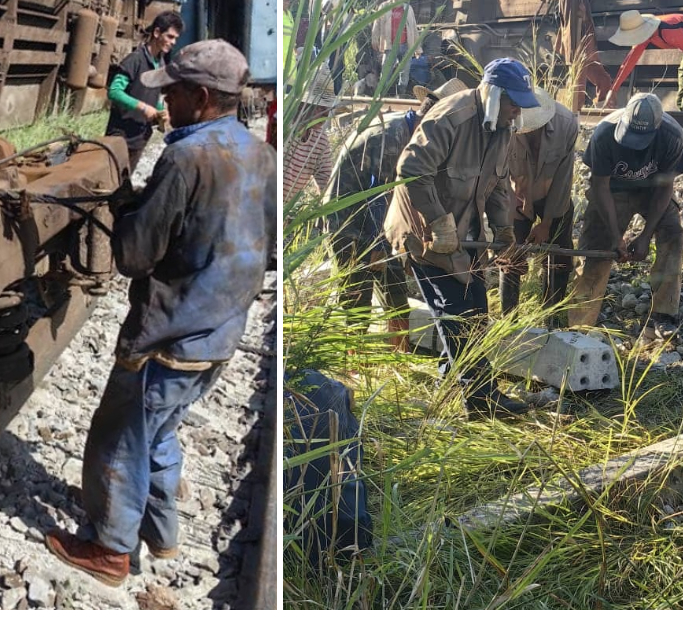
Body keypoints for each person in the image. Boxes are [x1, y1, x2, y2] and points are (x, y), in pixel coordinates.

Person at [45, 40, 276, 587]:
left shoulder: (185, 156)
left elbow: (133, 256)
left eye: (171, 91)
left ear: (201, 96)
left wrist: (126, 208)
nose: (164, 100)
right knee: (161, 429)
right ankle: (162, 536)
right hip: (220, 331)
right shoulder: (258, 152)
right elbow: (265, 246)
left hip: (169, 336)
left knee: (120, 433)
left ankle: (109, 550)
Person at [384, 58, 540, 417]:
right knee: (458, 314)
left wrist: (503, 231)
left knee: (475, 309)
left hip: (467, 232)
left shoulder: (502, 127)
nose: (517, 111)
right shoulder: (450, 118)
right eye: (513, 102)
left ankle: (449, 385)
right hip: (424, 231)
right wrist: (438, 222)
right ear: (495, 94)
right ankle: (482, 401)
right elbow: (410, 170)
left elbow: (499, 184)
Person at [324, 77, 467, 352]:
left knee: (396, 297)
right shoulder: (391, 138)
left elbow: (409, 194)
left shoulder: (416, 139)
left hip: (377, 224)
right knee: (357, 298)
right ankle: (352, 366)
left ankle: (397, 363)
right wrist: (379, 247)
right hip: (349, 222)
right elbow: (378, 196)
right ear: (430, 120)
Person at [568, 92, 683, 333]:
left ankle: (664, 310)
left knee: (673, 234)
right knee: (597, 248)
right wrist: (615, 237)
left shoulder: (672, 137)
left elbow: (666, 188)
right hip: (613, 191)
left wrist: (645, 236)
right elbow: (599, 186)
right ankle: (581, 318)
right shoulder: (604, 133)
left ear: (656, 128)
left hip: (653, 191)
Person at [498, 87, 579, 315]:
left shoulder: (566, 124)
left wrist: (546, 224)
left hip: (554, 195)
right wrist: (513, 207)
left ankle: (551, 312)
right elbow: (498, 173)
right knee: (511, 254)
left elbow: (564, 178)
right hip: (516, 195)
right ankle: (508, 317)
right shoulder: (505, 122)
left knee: (560, 254)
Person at [604, 10, 683, 112]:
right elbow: (629, 61)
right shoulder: (646, 35)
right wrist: (613, 90)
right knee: (682, 92)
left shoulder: (669, 31)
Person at [105, 10, 184, 171]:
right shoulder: (135, 60)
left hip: (141, 135)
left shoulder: (160, 63)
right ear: (156, 32)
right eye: (170, 36)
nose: (173, 42)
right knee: (112, 182)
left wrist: (161, 112)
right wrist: (143, 107)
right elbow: (114, 91)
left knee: (126, 182)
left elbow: (153, 95)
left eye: (176, 38)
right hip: (121, 136)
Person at [556, 0, 612, 113]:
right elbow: (570, 22)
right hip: (577, 45)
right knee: (577, 89)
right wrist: (574, 53)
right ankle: (572, 121)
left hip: (587, 43)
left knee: (604, 81)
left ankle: (600, 113)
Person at [283, 65, 336, 203]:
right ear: (303, 105)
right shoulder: (283, 129)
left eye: (328, 109)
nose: (326, 114)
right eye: (321, 108)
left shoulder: (319, 141)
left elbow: (326, 180)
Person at [371, 0, 418, 97]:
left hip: (405, 45)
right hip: (390, 45)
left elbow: (414, 28)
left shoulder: (408, 9)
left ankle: (401, 93)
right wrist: (374, 38)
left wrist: (417, 48)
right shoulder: (384, 7)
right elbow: (376, 24)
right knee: (386, 71)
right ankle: (383, 95)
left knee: (404, 71)